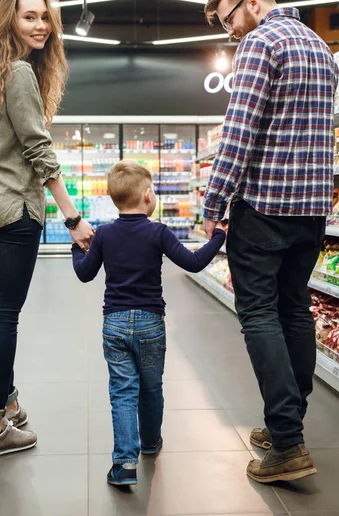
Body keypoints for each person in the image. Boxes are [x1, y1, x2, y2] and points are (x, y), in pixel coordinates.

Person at [202, 0, 339, 484]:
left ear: (252, 3)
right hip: (310, 210)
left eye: (228, 19)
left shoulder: (260, 44)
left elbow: (240, 132)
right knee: (295, 310)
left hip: (264, 208)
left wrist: (214, 202)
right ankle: (289, 424)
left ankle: (286, 443)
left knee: (258, 313)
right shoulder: (321, 49)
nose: (229, 31)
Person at [0, 0, 94, 459]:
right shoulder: (18, 73)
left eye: (45, 17)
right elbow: (38, 150)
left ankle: (7, 401)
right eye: (29, 16)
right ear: (8, 19)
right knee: (4, 315)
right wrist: (72, 217)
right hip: (13, 210)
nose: (41, 26)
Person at [72, 160, 226, 486]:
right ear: (146, 196)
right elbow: (195, 262)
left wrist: (76, 246)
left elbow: (85, 273)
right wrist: (220, 236)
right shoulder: (158, 232)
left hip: (113, 324)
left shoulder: (104, 234)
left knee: (122, 392)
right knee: (151, 388)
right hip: (150, 324)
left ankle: (124, 464)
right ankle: (151, 443)